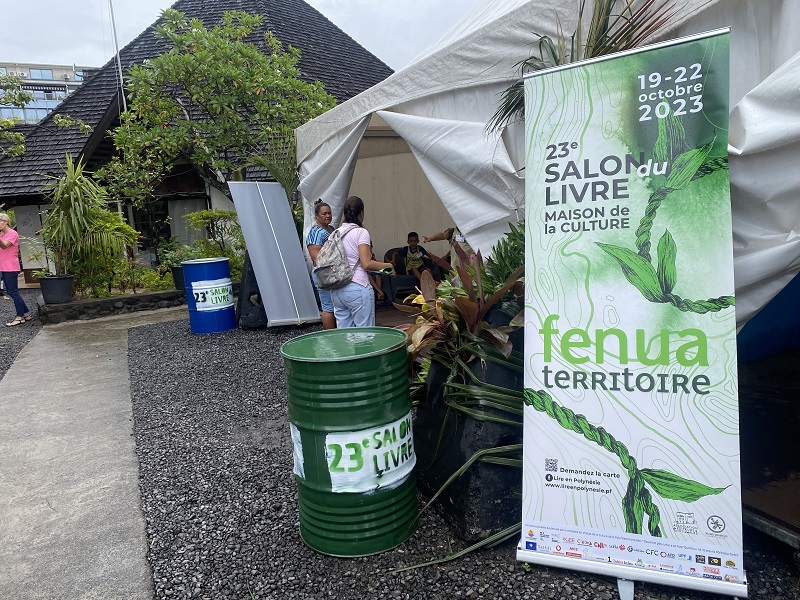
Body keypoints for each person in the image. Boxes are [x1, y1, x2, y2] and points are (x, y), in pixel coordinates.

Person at [329, 196, 394, 328]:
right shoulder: (360, 232)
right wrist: (389, 266)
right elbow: (367, 264)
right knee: (365, 335)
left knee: (345, 336)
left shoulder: (334, 233)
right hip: (357, 287)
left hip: (337, 289)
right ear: (361, 213)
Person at [305, 199, 336, 330]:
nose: (328, 216)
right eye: (324, 213)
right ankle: (330, 335)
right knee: (328, 307)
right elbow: (315, 257)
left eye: (329, 213)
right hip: (323, 273)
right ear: (317, 216)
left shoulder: (331, 229)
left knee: (336, 306)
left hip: (334, 272)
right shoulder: (315, 232)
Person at [0, 213, 31, 326]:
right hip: (3, 266)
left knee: (13, 292)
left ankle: (20, 317)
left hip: (10, 266)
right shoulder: (2, 234)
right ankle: (26, 313)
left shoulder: (13, 233)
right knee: (10, 291)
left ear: (6, 222)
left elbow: (4, 246)